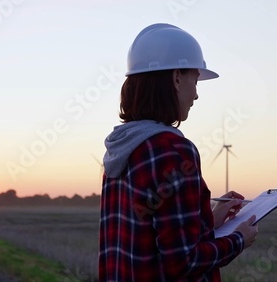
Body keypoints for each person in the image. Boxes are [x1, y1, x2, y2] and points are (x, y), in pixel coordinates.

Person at [98, 23, 258, 281]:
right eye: (195, 80)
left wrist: (207, 220)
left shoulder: (121, 148)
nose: (196, 95)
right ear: (176, 78)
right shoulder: (173, 151)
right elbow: (183, 262)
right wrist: (239, 239)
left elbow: (148, 237)